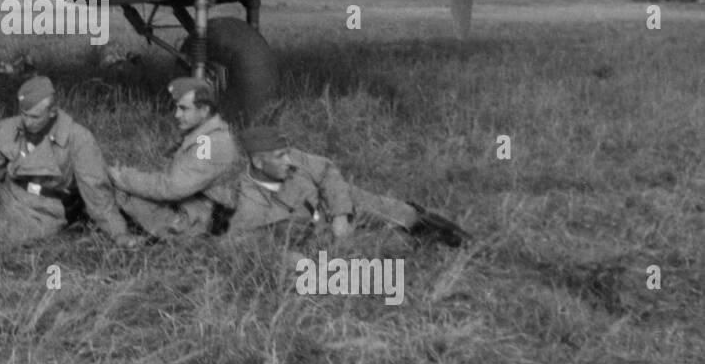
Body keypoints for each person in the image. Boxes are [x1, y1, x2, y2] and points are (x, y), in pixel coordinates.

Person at [0, 75, 137, 247]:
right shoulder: (9, 128)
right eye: (24, 114)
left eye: (34, 117)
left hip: (45, 211)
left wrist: (118, 233)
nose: (27, 122)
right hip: (8, 196)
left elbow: (97, 192)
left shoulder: (78, 138)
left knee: (5, 235)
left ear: (52, 111)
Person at [230, 126, 471, 247]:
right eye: (280, 157)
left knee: (405, 214)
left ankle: (466, 242)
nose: (288, 161)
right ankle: (426, 244)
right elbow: (248, 240)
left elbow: (327, 172)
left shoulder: (293, 158)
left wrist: (340, 215)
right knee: (395, 244)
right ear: (258, 162)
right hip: (320, 238)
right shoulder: (248, 202)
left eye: (286, 153)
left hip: (340, 203)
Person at [108, 77, 242, 239]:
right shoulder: (203, 135)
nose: (177, 114)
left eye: (184, 109)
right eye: (177, 108)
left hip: (195, 222)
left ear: (204, 110)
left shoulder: (208, 142)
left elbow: (173, 187)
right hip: (191, 209)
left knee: (118, 193)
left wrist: (126, 179)